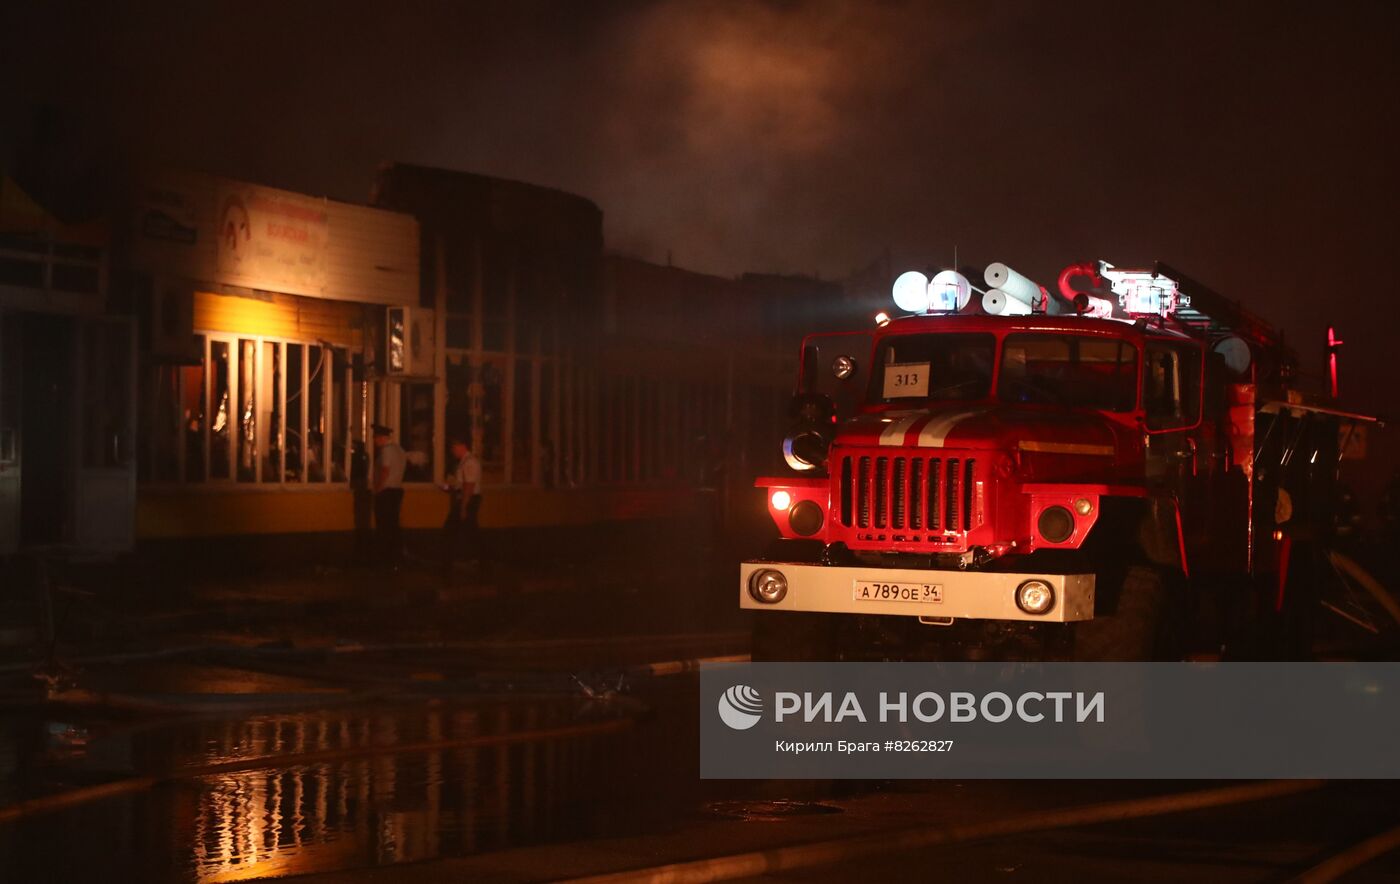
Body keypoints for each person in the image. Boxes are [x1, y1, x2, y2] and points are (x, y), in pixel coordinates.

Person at [441, 435, 483, 578]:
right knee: (469, 530)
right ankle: (476, 559)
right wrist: (448, 487)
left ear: (461, 446)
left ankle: (449, 562)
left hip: (467, 499)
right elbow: (461, 484)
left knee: (452, 529)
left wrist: (464, 507)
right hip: (465, 498)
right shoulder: (464, 462)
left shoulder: (470, 462)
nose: (453, 451)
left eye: (454, 448)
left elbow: (469, 486)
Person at [371, 423, 406, 568]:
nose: (374, 441)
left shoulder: (386, 451)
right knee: (393, 525)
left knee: (383, 526)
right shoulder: (399, 450)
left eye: (375, 438)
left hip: (386, 492)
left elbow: (385, 470)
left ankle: (384, 560)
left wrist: (378, 488)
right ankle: (396, 559)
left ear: (381, 438)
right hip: (397, 491)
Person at [349, 440, 372, 565]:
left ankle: (361, 542)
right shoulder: (366, 456)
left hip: (358, 481)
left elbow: (355, 470)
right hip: (362, 482)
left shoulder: (354, 457)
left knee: (360, 512)